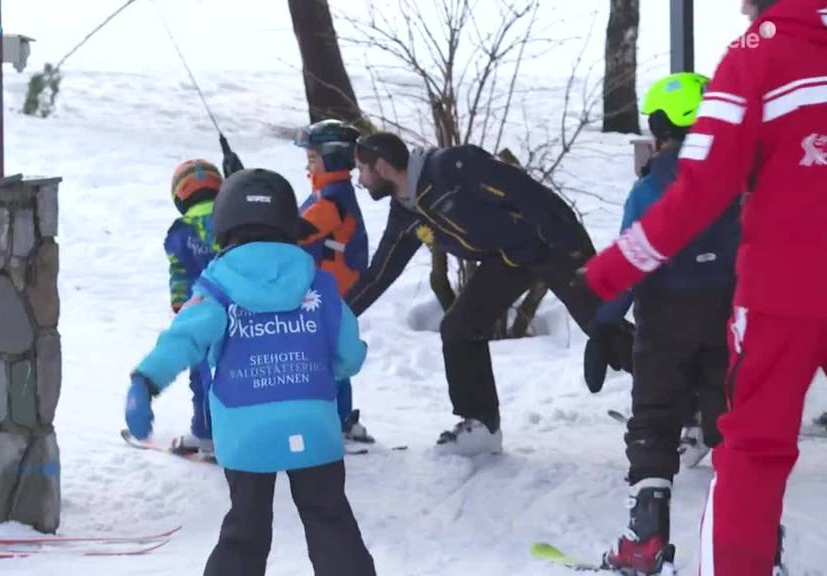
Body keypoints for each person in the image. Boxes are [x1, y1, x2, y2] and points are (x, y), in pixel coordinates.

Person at [583, 1, 827, 574]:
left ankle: (659, 540)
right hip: (740, 303)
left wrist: (608, 284)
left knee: (739, 448)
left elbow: (701, 187)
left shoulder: (757, 52)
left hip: (772, 298)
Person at [125, 168, 376, 576]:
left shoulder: (216, 288)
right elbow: (349, 355)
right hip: (313, 426)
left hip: (245, 431)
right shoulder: (319, 283)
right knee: (330, 521)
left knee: (246, 529)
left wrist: (145, 381)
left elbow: (182, 339)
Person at [348, 131, 634, 455]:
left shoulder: (452, 169)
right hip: (509, 257)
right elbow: (380, 275)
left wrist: (573, 255)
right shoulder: (407, 212)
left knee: (602, 326)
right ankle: (481, 425)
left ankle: (686, 404)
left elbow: (532, 198)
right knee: (459, 328)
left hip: (551, 242)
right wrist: (337, 315)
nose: (360, 180)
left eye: (362, 169)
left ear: (383, 166)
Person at [597, 72, 738, 575]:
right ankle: (755, 546)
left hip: (663, 321)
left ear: (660, 127)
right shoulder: (740, 178)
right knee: (737, 429)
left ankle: (646, 542)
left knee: (655, 423)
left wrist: (604, 323)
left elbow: (629, 257)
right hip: (729, 317)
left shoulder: (650, 187)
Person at [293, 119, 373, 443]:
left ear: (332, 158)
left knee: (325, 357)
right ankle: (337, 417)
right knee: (329, 354)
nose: (307, 165)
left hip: (331, 291)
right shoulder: (327, 194)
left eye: (312, 158)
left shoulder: (330, 202)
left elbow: (294, 234)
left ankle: (335, 419)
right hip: (328, 289)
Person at [163, 158, 222, 455]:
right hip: (237, 312)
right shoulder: (231, 218)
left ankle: (206, 435)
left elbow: (179, 271)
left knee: (202, 376)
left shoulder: (181, 230)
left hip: (199, 315)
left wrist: (179, 303)